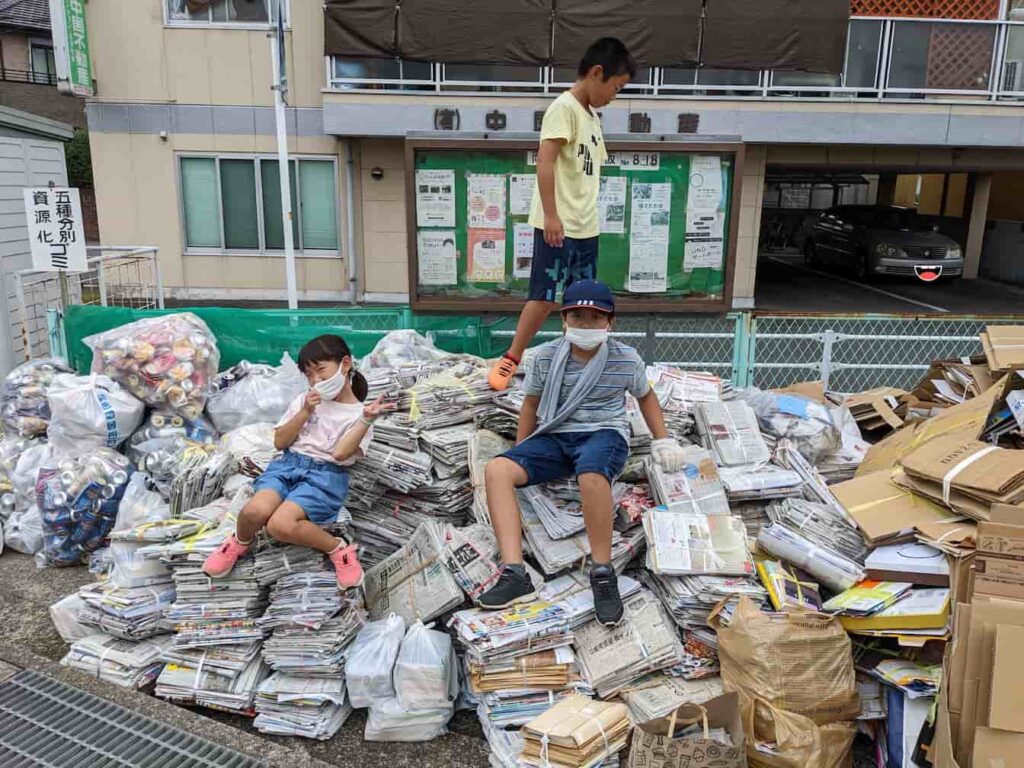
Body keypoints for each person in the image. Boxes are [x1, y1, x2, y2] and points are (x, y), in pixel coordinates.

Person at [477, 280, 686, 626]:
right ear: (563, 319)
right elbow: (530, 406)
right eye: (577, 316)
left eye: (594, 317)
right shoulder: (545, 357)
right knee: (498, 470)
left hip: (604, 433)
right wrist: (521, 450)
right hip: (557, 434)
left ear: (610, 323)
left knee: (591, 474)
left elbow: (645, 397)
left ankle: (602, 573)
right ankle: (515, 573)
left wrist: (663, 439)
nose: (585, 325)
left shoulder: (625, 359)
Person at [487, 37, 636, 392]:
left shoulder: (591, 118)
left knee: (581, 301)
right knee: (543, 297)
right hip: (558, 225)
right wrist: (551, 216)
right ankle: (511, 358)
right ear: (597, 73)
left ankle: (573, 361)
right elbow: (546, 160)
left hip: (587, 227)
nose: (614, 96)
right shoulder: (564, 108)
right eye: (616, 87)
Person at [203, 334, 392, 588]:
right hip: (287, 465)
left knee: (280, 526)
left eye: (321, 370)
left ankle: (339, 549)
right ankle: (238, 542)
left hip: (324, 477)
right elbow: (280, 442)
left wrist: (366, 419)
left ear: (345, 365)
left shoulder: (359, 414)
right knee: (252, 512)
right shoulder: (303, 402)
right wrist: (305, 411)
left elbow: (339, 454)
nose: (316, 380)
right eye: (309, 374)